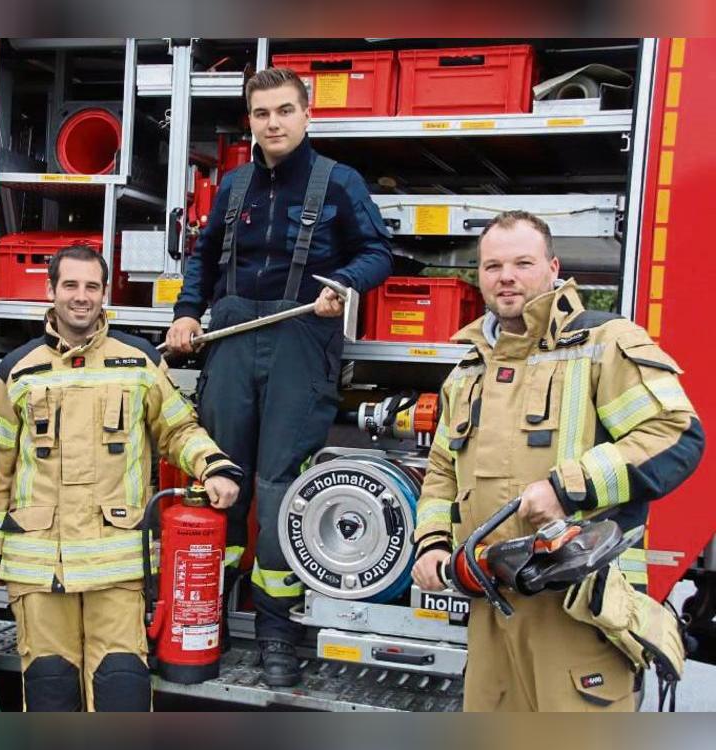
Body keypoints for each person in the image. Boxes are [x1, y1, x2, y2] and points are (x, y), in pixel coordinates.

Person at [411, 210, 704, 711]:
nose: (506, 276)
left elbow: (675, 435)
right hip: (491, 611)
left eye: (523, 263)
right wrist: (432, 544)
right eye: (492, 266)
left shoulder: (604, 343)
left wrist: (569, 487)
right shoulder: (468, 369)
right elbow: (441, 469)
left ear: (553, 267)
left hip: (579, 608)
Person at [164, 67, 393, 686]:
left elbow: (378, 253)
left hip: (300, 341)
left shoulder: (338, 182)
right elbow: (203, 258)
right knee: (219, 479)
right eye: (262, 113)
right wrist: (188, 313)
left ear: (306, 115)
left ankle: (277, 634)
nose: (274, 123)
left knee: (281, 488)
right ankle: (200, 615)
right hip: (231, 342)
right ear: (250, 121)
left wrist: (343, 286)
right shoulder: (234, 186)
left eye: (285, 111)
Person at [0, 244, 242, 712]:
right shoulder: (16, 370)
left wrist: (212, 466)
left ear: (105, 294)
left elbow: (177, 429)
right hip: (40, 569)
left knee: (121, 688)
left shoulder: (138, 361)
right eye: (71, 285)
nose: (82, 297)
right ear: (51, 291)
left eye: (92, 287)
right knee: (49, 687)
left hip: (116, 564)